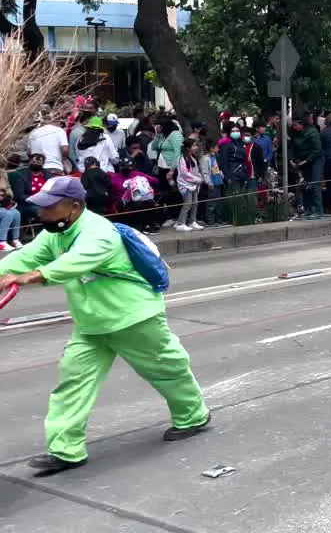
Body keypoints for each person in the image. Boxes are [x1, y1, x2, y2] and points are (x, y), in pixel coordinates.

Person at [0, 177, 210, 475]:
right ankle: (66, 450)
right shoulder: (55, 234)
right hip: (91, 323)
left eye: (50, 207)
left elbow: (73, 263)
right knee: (72, 382)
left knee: (167, 369)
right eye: (41, 207)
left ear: (74, 207)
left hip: (133, 317)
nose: (42, 214)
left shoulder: (99, 232)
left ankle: (193, 415)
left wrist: (30, 276)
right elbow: (25, 255)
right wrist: (5, 272)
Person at [293, 115, 324, 219]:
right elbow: (295, 148)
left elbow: (317, 149)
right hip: (304, 161)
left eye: (296, 125)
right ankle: (308, 208)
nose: (295, 127)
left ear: (302, 124)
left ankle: (318, 210)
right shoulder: (296, 133)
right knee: (306, 185)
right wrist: (294, 160)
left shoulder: (312, 132)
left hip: (315, 160)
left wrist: (306, 161)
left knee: (315, 185)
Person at [174, 138, 204, 232]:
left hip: (194, 184)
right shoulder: (181, 158)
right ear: (188, 148)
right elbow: (184, 173)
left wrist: (199, 179)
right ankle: (180, 223)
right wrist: (197, 179)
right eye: (194, 146)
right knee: (187, 204)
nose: (196, 148)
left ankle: (192, 221)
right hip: (185, 184)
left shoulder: (192, 158)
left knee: (195, 204)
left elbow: (196, 170)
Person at [29, 110, 71, 176]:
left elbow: (29, 152)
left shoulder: (32, 133)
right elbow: (65, 150)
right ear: (53, 119)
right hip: (55, 167)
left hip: (37, 169)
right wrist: (64, 158)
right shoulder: (59, 131)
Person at [14, 153, 48, 231]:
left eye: (39, 162)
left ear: (43, 163)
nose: (36, 163)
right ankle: (42, 235)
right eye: (34, 161)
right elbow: (19, 195)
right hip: (27, 205)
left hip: (46, 203)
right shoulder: (21, 175)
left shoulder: (47, 175)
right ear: (29, 162)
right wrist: (35, 200)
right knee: (43, 211)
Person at [0, 169, 22, 250]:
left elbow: (10, 193)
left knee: (16, 213)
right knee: (7, 214)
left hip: (3, 205)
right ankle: (2, 241)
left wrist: (6, 194)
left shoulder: (3, 174)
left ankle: (15, 240)